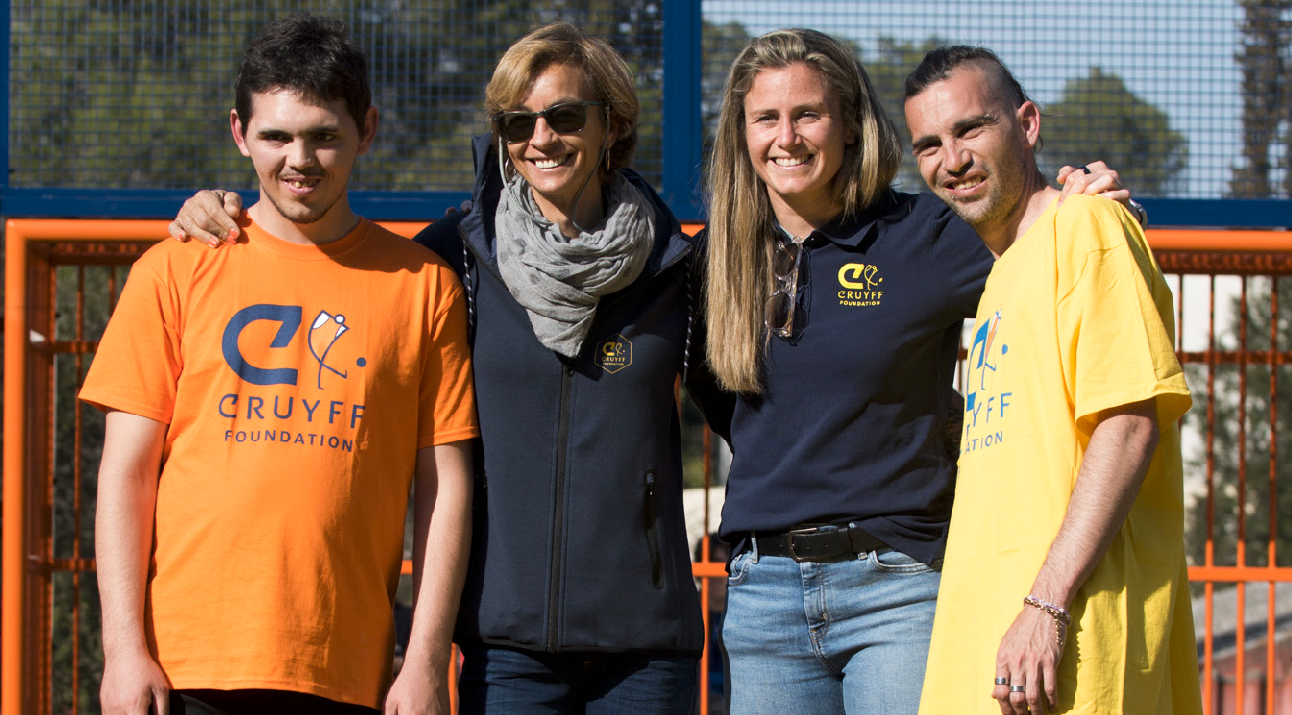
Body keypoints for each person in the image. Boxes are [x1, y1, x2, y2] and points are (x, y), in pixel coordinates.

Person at [166, 22, 726, 715]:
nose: (541, 137)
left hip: (647, 643)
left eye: (565, 115)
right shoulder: (454, 259)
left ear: (612, 125)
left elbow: (753, 418)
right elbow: (322, 260)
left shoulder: (676, 269)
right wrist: (218, 207)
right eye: (518, 122)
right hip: (505, 643)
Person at [701, 28, 1139, 715]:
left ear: (849, 125)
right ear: (742, 133)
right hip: (764, 595)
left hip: (897, 586)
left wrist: (1096, 202)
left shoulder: (923, 236)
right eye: (766, 118)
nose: (787, 136)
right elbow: (726, 407)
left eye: (808, 114)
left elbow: (1043, 247)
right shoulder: (717, 260)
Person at [83, 15, 478, 715]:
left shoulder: (423, 285)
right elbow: (127, 470)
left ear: (368, 129)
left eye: (325, 134)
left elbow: (442, 488)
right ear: (240, 132)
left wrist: (424, 660)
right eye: (277, 135)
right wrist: (122, 648)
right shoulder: (175, 268)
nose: (300, 158)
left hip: (347, 669)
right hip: (184, 665)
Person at [903, 46, 1200, 715]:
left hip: (1072, 646)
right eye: (928, 144)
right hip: (995, 652)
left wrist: (1046, 604)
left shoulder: (1088, 226)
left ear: (1027, 122)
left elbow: (1128, 424)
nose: (950, 160)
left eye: (970, 128)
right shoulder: (999, 275)